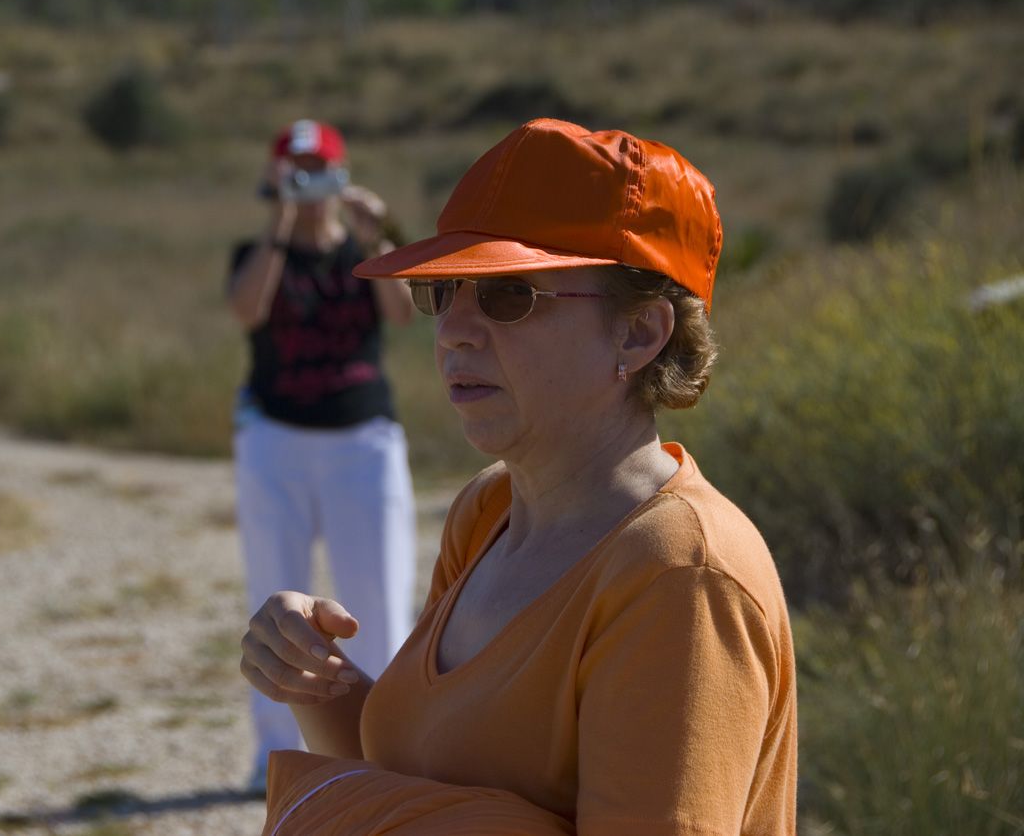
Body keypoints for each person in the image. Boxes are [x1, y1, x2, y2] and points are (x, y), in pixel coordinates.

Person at [239, 118, 798, 834]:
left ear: (639, 333)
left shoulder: (680, 577)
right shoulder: (489, 512)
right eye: (445, 292)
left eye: (510, 296)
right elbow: (416, 779)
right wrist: (315, 680)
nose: (454, 331)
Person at [226, 119, 417, 795]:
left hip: (361, 441)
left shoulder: (364, 251)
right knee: (273, 595)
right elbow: (247, 310)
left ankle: (389, 746)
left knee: (380, 596)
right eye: (296, 174)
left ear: (342, 174)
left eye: (320, 172)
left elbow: (402, 313)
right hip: (276, 438)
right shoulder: (258, 250)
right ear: (276, 177)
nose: (311, 189)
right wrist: (280, 224)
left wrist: (377, 235)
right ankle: (278, 754)